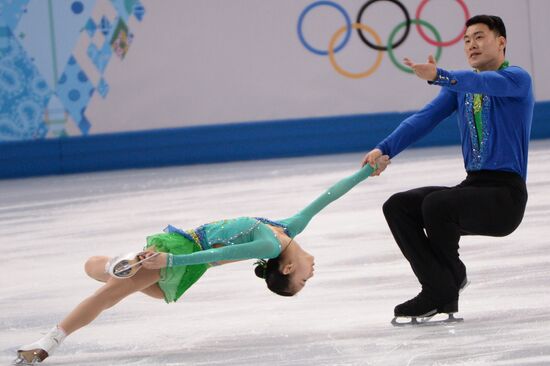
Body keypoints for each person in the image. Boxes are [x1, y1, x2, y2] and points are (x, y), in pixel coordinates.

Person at [14, 156, 389, 365]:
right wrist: (367, 170)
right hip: (183, 249)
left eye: (304, 281)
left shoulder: (273, 246)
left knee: (133, 285)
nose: (312, 274)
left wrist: (169, 264)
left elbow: (219, 254)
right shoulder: (285, 232)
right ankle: (47, 343)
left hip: (189, 256)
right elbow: (328, 197)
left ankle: (115, 262)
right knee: (115, 293)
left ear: (287, 268)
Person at [362, 15, 534, 321]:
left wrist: (440, 75)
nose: (471, 45)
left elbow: (483, 81)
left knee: (437, 204)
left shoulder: (517, 80)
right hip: (473, 187)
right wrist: (384, 148)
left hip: (505, 197)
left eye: (479, 37)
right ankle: (438, 287)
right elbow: (423, 119)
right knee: (399, 206)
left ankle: (448, 281)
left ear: (501, 42)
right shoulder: (460, 89)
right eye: (466, 40)